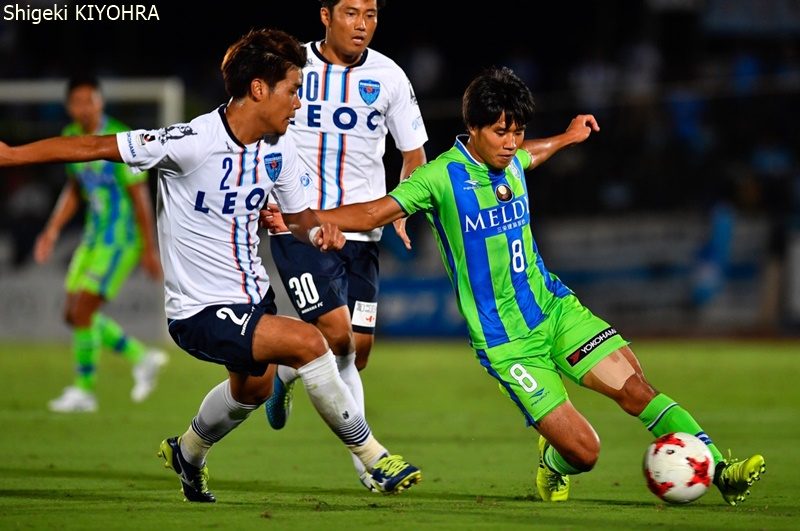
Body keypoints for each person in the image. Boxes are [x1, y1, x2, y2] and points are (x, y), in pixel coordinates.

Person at [310, 66, 766, 506]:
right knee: (584, 454)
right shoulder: (440, 177)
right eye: (500, 133)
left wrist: (567, 138)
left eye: (516, 132)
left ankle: (720, 468)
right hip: (507, 342)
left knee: (637, 391)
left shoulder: (512, 159)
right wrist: (303, 220)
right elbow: (374, 213)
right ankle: (552, 461)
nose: (511, 145)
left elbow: (534, 154)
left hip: (555, 308)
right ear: (473, 126)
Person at [0, 28, 421, 502]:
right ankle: (373, 458)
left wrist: (317, 230)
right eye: (294, 90)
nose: (299, 104)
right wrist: (13, 154)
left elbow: (299, 217)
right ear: (259, 89)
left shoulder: (280, 149)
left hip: (251, 299)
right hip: (198, 310)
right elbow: (94, 146)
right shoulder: (191, 141)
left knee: (252, 392)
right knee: (309, 341)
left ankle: (188, 452)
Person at [260, 0, 428, 491]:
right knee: (338, 338)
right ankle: (371, 464)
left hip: (364, 230)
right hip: (298, 225)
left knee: (359, 350)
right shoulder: (291, 68)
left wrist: (405, 206)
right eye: (352, 13)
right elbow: (257, 134)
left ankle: (287, 372)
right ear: (325, 15)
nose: (363, 25)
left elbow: (413, 152)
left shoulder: (390, 77)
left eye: (371, 15)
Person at [34, 76, 167, 413]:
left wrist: (149, 249)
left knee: (81, 312)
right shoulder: (69, 137)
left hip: (120, 241)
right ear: (69, 107)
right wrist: (51, 230)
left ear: (100, 102)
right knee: (73, 313)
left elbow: (139, 197)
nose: (84, 107)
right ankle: (142, 357)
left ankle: (85, 390)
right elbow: (76, 190)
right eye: (77, 102)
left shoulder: (120, 139)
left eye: (89, 100)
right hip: (93, 238)